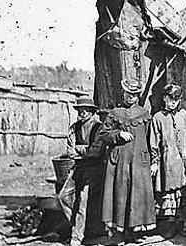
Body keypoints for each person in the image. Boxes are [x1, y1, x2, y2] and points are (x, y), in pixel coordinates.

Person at [101, 78, 156, 244]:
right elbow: (103, 135)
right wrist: (118, 135)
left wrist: (154, 160)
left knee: (138, 195)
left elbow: (150, 137)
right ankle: (119, 234)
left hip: (139, 160)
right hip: (120, 161)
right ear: (123, 93)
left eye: (135, 94)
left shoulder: (144, 113)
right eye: (128, 93)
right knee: (120, 193)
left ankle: (134, 232)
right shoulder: (114, 113)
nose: (131, 97)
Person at [59, 95, 107, 246]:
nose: (82, 113)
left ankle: (77, 237)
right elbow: (69, 151)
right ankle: (78, 225)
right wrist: (82, 151)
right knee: (63, 196)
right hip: (79, 168)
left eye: (86, 110)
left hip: (94, 169)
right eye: (80, 110)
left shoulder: (99, 128)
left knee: (83, 201)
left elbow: (96, 151)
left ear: (92, 112)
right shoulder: (74, 128)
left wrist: (80, 149)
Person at [149, 84, 186, 236]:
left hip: (183, 161)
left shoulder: (184, 115)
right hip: (167, 161)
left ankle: (184, 224)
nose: (173, 102)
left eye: (176, 99)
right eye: (170, 99)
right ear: (164, 98)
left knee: (183, 193)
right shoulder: (158, 118)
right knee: (169, 194)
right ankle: (169, 227)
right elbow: (154, 143)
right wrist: (154, 162)